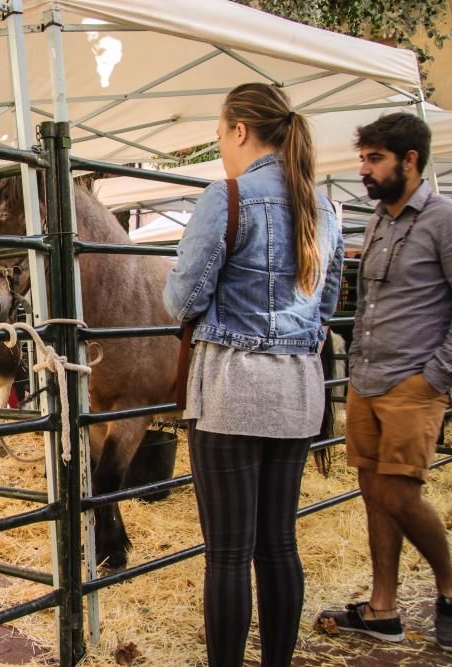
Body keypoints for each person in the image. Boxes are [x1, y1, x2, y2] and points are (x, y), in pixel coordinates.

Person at [163, 83, 343, 666]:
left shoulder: (227, 197)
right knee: (280, 545)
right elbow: (328, 305)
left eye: (219, 135)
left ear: (240, 130)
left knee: (229, 555)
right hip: (297, 391)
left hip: (232, 391)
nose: (220, 147)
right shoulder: (325, 208)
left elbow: (180, 300)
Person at [317, 113, 452, 650]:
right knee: (374, 492)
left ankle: (449, 586)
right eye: (363, 158)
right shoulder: (376, 220)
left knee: (400, 493)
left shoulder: (443, 219)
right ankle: (383, 609)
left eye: (375, 159)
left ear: (410, 160)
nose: (364, 170)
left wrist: (434, 376)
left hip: (412, 382)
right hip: (367, 376)